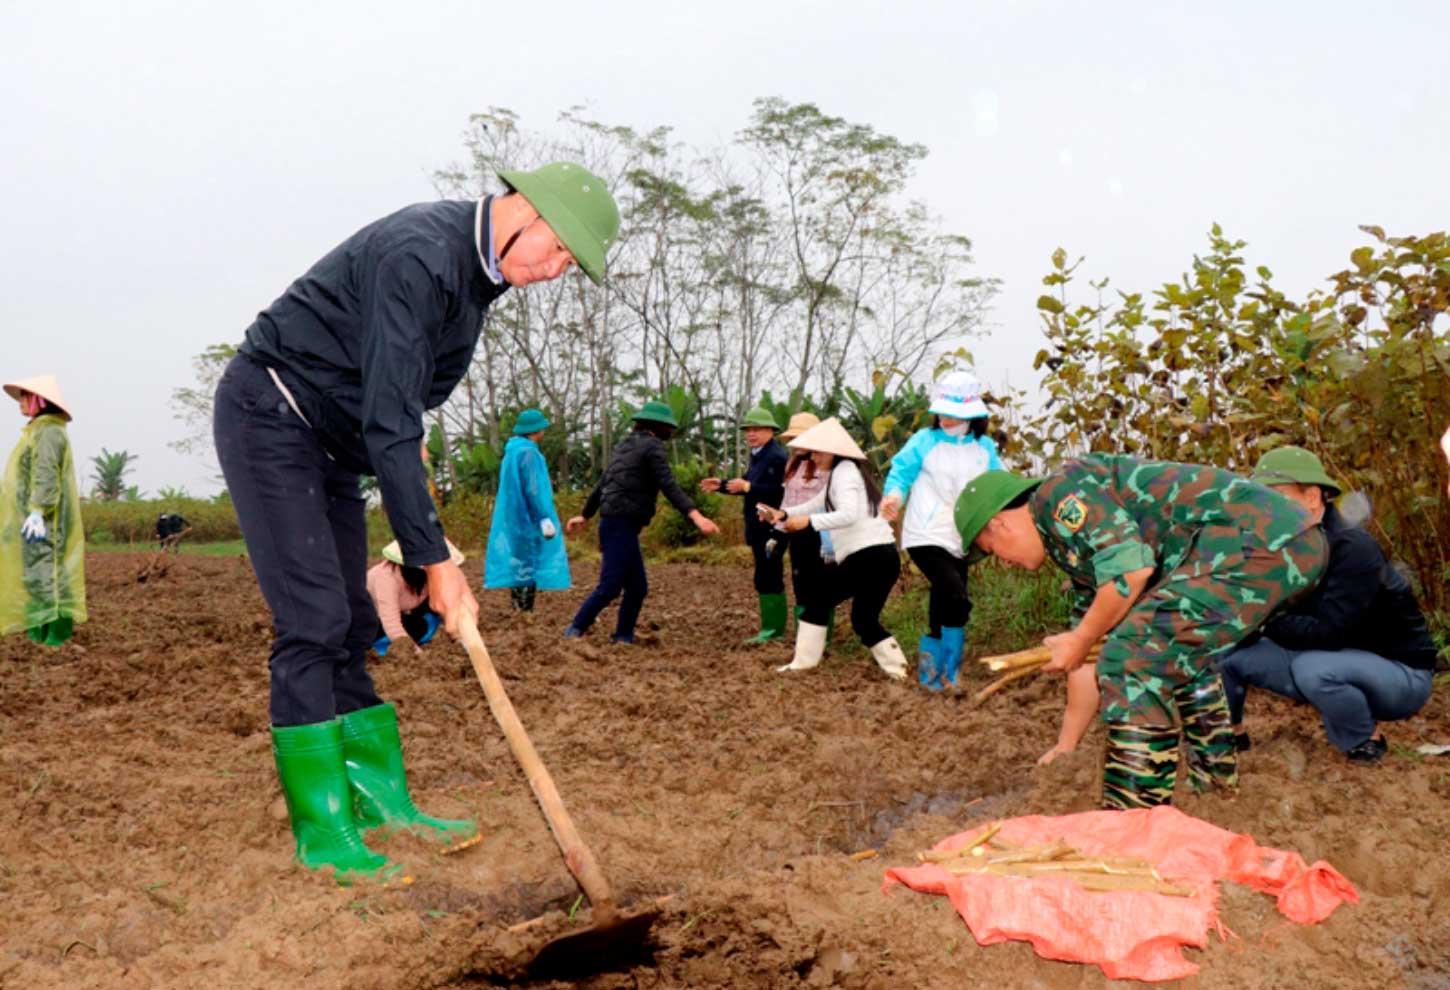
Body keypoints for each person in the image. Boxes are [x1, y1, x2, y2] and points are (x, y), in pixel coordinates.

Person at [214, 161, 620, 883]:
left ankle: (380, 801)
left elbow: (401, 406)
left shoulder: (472, 286)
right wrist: (436, 563)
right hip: (271, 416)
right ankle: (326, 833)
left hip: (337, 446)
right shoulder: (421, 254)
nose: (557, 270)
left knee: (347, 618)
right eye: (558, 249)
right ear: (523, 207)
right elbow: (390, 418)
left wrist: (421, 508)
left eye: (569, 263)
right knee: (310, 620)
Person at [955, 455, 1327, 809]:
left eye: (993, 550)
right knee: (1178, 658)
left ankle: (1136, 815)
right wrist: (1066, 746)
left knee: (1132, 656)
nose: (1004, 561)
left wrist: (1082, 638)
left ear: (1000, 523)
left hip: (1256, 538)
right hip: (1283, 542)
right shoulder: (1076, 555)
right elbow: (1086, 660)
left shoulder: (1058, 495)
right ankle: (1215, 791)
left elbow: (1131, 574)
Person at [1218, 447, 1438, 765]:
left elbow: (1328, 632)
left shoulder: (1351, 547)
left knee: (1313, 670)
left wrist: (1263, 618)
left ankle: (1364, 738)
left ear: (1312, 496)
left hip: (1399, 675)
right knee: (1226, 651)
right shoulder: (1281, 545)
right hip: (1325, 656)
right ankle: (1228, 733)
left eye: (1277, 495)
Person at [881, 370, 1001, 690]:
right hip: (925, 531)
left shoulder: (984, 447)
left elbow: (998, 485)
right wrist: (893, 497)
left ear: (972, 414)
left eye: (954, 413)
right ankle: (945, 671)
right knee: (956, 596)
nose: (946, 418)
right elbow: (900, 474)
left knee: (944, 600)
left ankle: (938, 675)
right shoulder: (924, 441)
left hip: (962, 535)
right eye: (943, 412)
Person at [762, 417, 908, 680]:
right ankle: (899, 670)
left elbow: (848, 514)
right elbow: (816, 503)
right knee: (864, 621)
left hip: (869, 556)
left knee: (817, 600)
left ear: (832, 451)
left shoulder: (845, 472)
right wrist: (782, 514)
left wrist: (808, 522)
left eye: (817, 452)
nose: (812, 457)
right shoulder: (840, 474)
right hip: (882, 557)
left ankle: (802, 665)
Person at [564, 401, 719, 642]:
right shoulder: (653, 447)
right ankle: (574, 630)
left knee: (637, 588)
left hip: (614, 523)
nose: (671, 433)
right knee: (611, 586)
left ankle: (623, 636)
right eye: (669, 428)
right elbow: (668, 485)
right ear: (659, 427)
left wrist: (585, 514)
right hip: (622, 524)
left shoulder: (624, 446)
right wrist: (696, 516)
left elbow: (603, 482)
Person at [1, 375, 86, 647]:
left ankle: (55, 637)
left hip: (45, 521)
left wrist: (38, 510)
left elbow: (45, 475)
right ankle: (37, 635)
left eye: (25, 397)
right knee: (35, 576)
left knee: (49, 575)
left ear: (40, 400)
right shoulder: (38, 429)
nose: (20, 404)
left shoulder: (48, 432)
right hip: (32, 520)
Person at [701, 406, 788, 644]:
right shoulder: (758, 455)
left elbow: (781, 493)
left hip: (772, 527)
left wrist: (748, 487)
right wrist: (722, 484)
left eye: (757, 429)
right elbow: (747, 485)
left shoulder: (777, 458)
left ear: (771, 430)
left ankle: (774, 630)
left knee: (769, 574)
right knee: (763, 574)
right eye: (748, 430)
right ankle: (772, 628)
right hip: (758, 526)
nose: (751, 434)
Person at [484, 408, 569, 611]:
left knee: (518, 562)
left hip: (512, 517)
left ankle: (518, 608)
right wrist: (543, 516)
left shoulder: (512, 451)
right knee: (528, 562)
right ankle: (524, 610)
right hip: (527, 516)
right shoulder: (529, 452)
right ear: (536, 430)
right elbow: (533, 489)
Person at [775, 412, 837, 639]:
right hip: (796, 532)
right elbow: (787, 500)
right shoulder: (791, 464)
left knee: (821, 585)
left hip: (821, 533)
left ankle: (822, 636)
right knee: (800, 584)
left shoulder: (827, 464)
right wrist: (779, 527)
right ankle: (805, 637)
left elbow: (829, 500)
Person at [367, 539, 464, 657]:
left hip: (405, 613)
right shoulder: (386, 577)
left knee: (425, 622)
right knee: (414, 628)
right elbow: (390, 621)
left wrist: (460, 636)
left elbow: (449, 603)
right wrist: (414, 652)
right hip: (372, 621)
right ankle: (379, 646)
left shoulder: (428, 577)